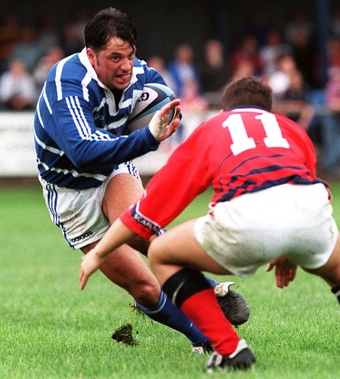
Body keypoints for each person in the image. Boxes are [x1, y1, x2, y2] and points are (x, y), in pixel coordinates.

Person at [79, 76, 340, 372]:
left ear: (223, 111)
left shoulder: (213, 128)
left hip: (247, 219)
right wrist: (289, 250)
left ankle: (229, 349)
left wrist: (99, 253)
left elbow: (147, 212)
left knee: (162, 253)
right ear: (270, 111)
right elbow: (302, 188)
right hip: (312, 214)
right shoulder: (292, 130)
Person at [33, 7, 215, 352]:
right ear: (91, 55)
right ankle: (199, 336)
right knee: (144, 286)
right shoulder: (67, 82)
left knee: (142, 231)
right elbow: (83, 152)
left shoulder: (136, 72)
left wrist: (165, 112)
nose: (125, 66)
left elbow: (162, 96)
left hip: (113, 168)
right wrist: (147, 137)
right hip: (71, 190)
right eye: (114, 57)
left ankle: (211, 312)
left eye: (130, 55)